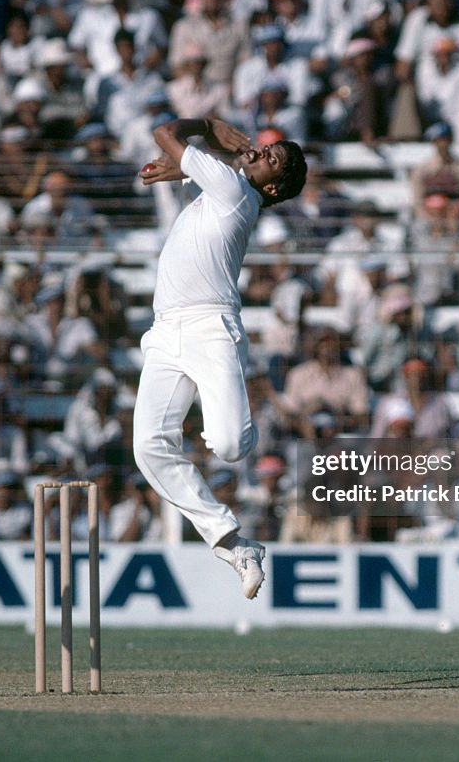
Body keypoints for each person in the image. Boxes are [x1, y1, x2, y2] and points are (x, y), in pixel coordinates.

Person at [134, 117, 307, 599]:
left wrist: (208, 128)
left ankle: (247, 415)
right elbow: (169, 161)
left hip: (212, 327)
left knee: (230, 446)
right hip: (165, 330)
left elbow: (165, 131)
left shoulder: (235, 191)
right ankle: (232, 542)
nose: (259, 152)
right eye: (266, 148)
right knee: (148, 445)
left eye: (270, 157)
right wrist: (189, 169)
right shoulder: (224, 186)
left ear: (272, 186)